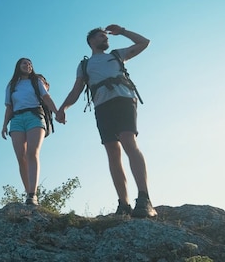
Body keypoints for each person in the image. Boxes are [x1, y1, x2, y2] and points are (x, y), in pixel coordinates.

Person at [55, 24, 157, 218]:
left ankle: (144, 199)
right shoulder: (85, 65)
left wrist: (124, 31)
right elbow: (76, 90)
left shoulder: (118, 55)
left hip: (124, 100)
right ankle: (123, 204)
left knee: (129, 142)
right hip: (102, 106)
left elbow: (144, 42)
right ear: (91, 41)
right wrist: (62, 109)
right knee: (112, 151)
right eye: (101, 36)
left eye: (106, 36)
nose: (106, 39)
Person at [1, 58, 59, 206]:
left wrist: (57, 112)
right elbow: (8, 107)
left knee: (32, 153)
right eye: (24, 63)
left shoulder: (37, 81)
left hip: (35, 116)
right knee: (21, 157)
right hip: (17, 119)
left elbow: (46, 98)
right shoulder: (12, 85)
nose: (28, 66)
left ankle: (33, 194)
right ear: (18, 66)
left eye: (30, 64)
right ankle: (28, 194)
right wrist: (4, 126)